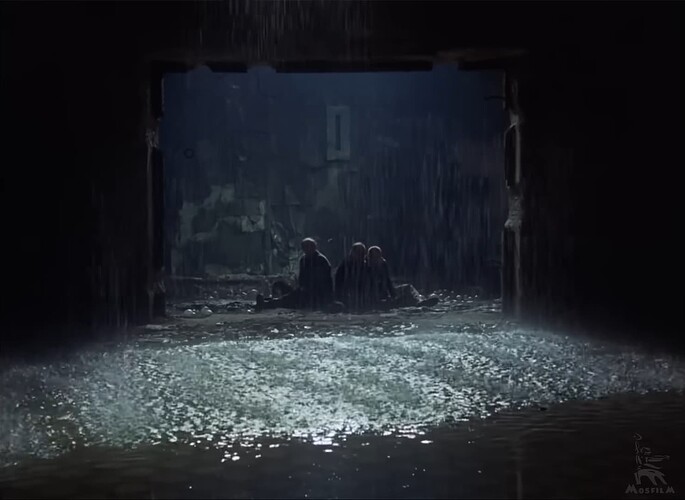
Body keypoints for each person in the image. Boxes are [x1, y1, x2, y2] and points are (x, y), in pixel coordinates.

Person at [256, 238, 333, 311]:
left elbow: (322, 282)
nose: (307, 249)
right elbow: (302, 277)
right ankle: (269, 302)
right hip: (306, 290)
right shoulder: (304, 259)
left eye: (309, 246)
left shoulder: (321, 260)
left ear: (314, 247)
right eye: (305, 247)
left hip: (318, 294)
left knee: (290, 299)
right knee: (288, 295)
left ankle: (267, 304)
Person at [366, 245, 439, 309]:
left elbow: (387, 280)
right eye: (374, 256)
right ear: (370, 257)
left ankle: (420, 301)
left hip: (386, 291)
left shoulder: (382, 264)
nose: (377, 258)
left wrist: (392, 294)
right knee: (399, 298)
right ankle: (411, 303)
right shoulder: (367, 267)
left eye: (378, 256)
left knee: (408, 287)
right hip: (376, 295)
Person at [334, 242, 369, 311]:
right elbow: (338, 283)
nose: (360, 255)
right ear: (353, 252)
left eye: (362, 253)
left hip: (362, 296)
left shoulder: (366, 265)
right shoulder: (345, 265)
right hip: (347, 296)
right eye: (358, 252)